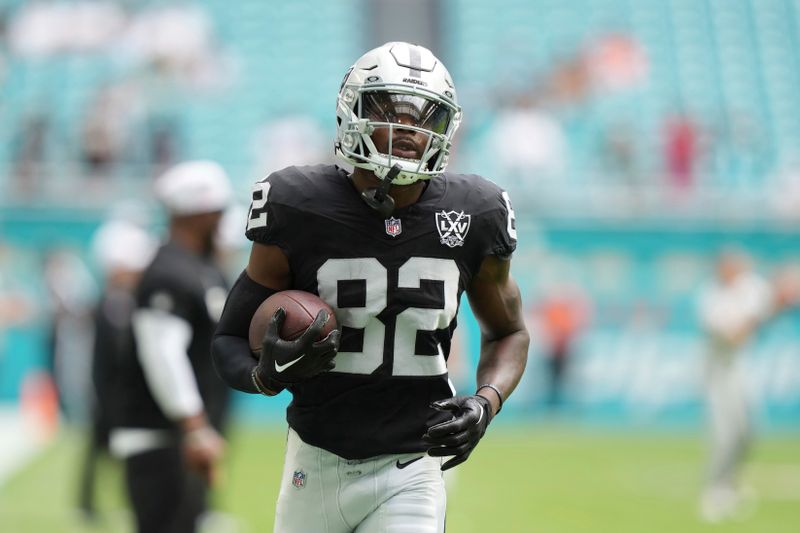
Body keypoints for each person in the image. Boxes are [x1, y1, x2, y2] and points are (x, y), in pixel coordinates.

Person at [212, 42, 530, 532]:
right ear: (352, 112)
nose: (409, 131)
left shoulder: (476, 211)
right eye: (390, 111)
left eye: (426, 117)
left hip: (412, 463)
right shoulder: (298, 204)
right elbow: (229, 340)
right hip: (315, 458)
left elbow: (510, 332)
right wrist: (264, 375)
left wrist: (485, 401)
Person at [110, 160, 233, 533]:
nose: (221, 219)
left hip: (180, 435)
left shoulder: (199, 267)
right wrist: (195, 426)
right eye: (218, 210)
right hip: (161, 436)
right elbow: (162, 354)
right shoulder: (169, 271)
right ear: (199, 212)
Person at [78, 219, 156, 521]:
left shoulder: (129, 302)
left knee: (122, 451)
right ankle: (86, 502)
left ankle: (119, 499)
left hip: (121, 392)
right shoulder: (107, 304)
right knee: (98, 449)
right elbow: (104, 357)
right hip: (107, 391)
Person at [696, 249, 774, 522]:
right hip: (717, 370)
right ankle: (713, 491)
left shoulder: (752, 286)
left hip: (742, 367)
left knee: (749, 431)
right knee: (724, 434)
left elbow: (767, 303)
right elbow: (734, 336)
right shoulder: (710, 295)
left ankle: (731, 485)